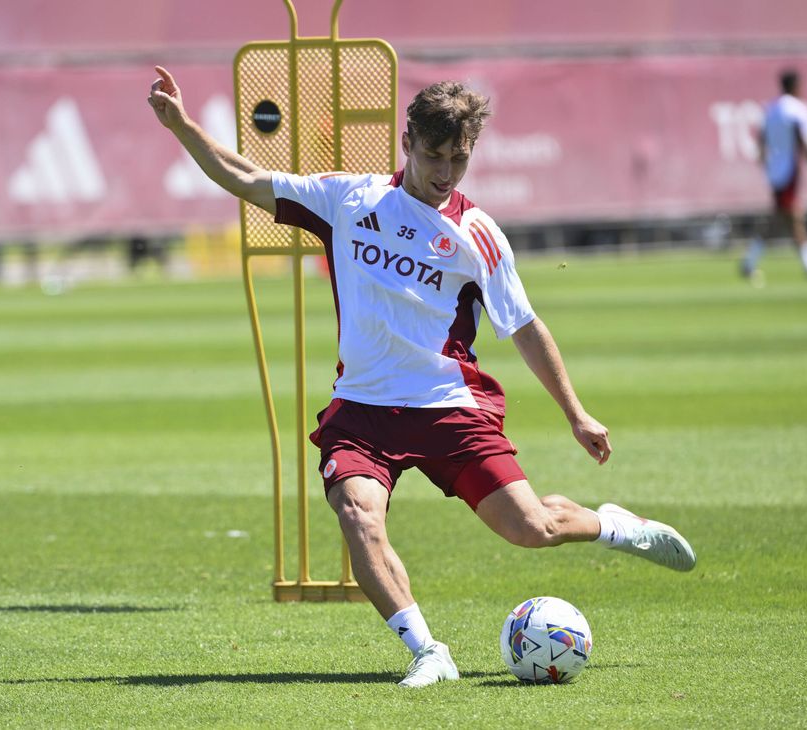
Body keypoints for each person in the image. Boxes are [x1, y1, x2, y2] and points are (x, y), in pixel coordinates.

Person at [148, 65, 696, 688]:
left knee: (533, 529)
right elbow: (244, 177)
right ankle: (427, 651)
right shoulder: (349, 199)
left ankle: (616, 525)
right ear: (407, 141)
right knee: (358, 516)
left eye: (458, 160)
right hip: (362, 410)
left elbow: (523, 325)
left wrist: (576, 412)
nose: (445, 172)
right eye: (434, 155)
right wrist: (183, 126)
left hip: (448, 408)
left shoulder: (478, 234)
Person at [741, 68, 807, 285]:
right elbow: (803, 143)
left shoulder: (771, 108)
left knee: (780, 221)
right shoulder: (796, 110)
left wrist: (765, 163)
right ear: (795, 86)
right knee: (793, 219)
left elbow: (761, 141)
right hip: (789, 170)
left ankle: (749, 262)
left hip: (775, 170)